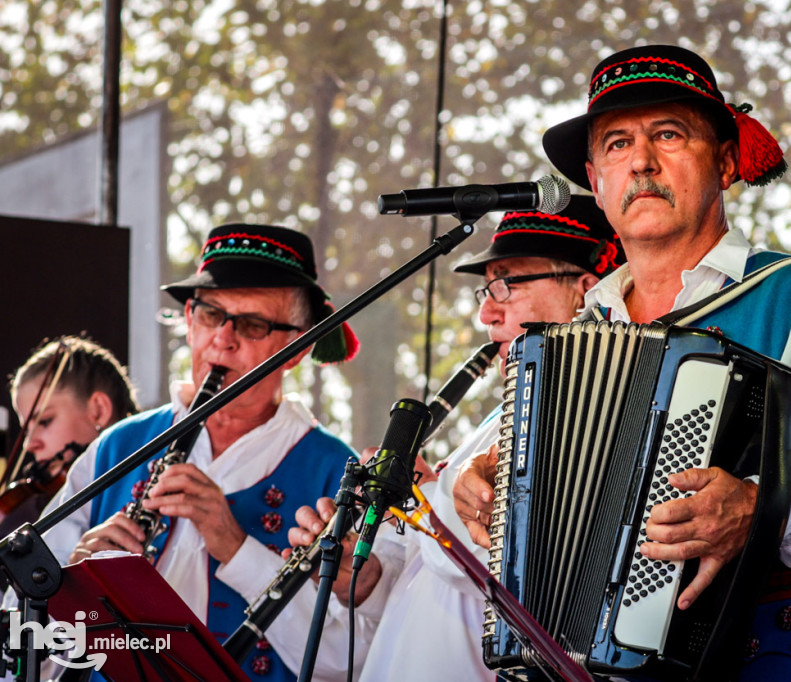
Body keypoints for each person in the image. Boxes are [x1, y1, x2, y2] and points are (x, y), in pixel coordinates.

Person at [453, 45, 791, 681]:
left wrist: (760, 506)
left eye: (667, 135)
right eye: (616, 145)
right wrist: (490, 490)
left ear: (725, 162)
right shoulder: (580, 333)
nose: (640, 161)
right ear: (594, 179)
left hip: (785, 657)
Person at [286, 196, 623, 681]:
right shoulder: (501, 419)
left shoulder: (587, 423)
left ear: (585, 291)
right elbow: (433, 588)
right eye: (486, 291)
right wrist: (366, 583)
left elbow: (511, 578)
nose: (486, 314)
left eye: (506, 285)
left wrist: (422, 499)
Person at [34, 224, 363, 681]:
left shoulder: (337, 473)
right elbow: (21, 625)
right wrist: (69, 584)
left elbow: (348, 659)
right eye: (210, 314)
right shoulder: (118, 447)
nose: (222, 340)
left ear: (295, 348)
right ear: (189, 320)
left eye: (251, 325)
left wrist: (237, 548)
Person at [1, 335, 138, 535]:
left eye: (45, 421)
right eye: (26, 430)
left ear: (98, 411)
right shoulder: (36, 506)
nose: (29, 445)